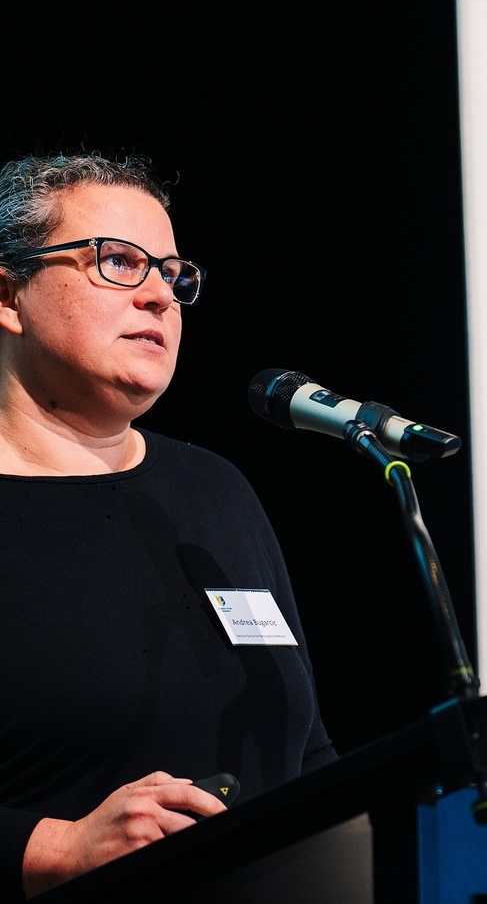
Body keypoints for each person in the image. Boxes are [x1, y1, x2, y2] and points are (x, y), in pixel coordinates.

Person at [0, 150, 338, 900]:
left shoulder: (216, 492)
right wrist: (49, 847)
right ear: (7, 293)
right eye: (118, 262)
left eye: (172, 272)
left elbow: (307, 751)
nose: (160, 295)